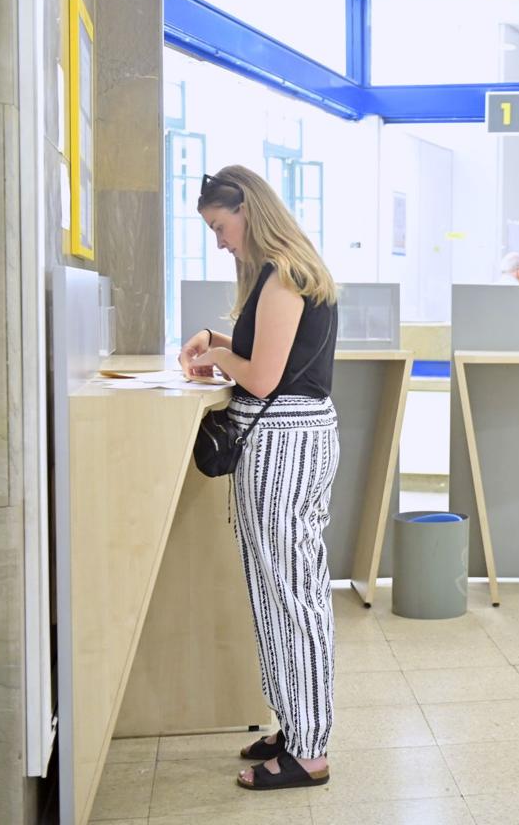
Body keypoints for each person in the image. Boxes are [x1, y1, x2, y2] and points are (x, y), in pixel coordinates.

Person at [179, 165, 339, 790]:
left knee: (292, 595)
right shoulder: (280, 273)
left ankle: (310, 749)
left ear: (248, 209)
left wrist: (218, 355)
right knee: (274, 588)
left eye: (221, 227)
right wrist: (219, 337)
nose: (219, 241)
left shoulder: (285, 275)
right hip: (285, 443)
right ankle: (294, 725)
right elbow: (274, 354)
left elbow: (265, 377)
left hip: (285, 446)